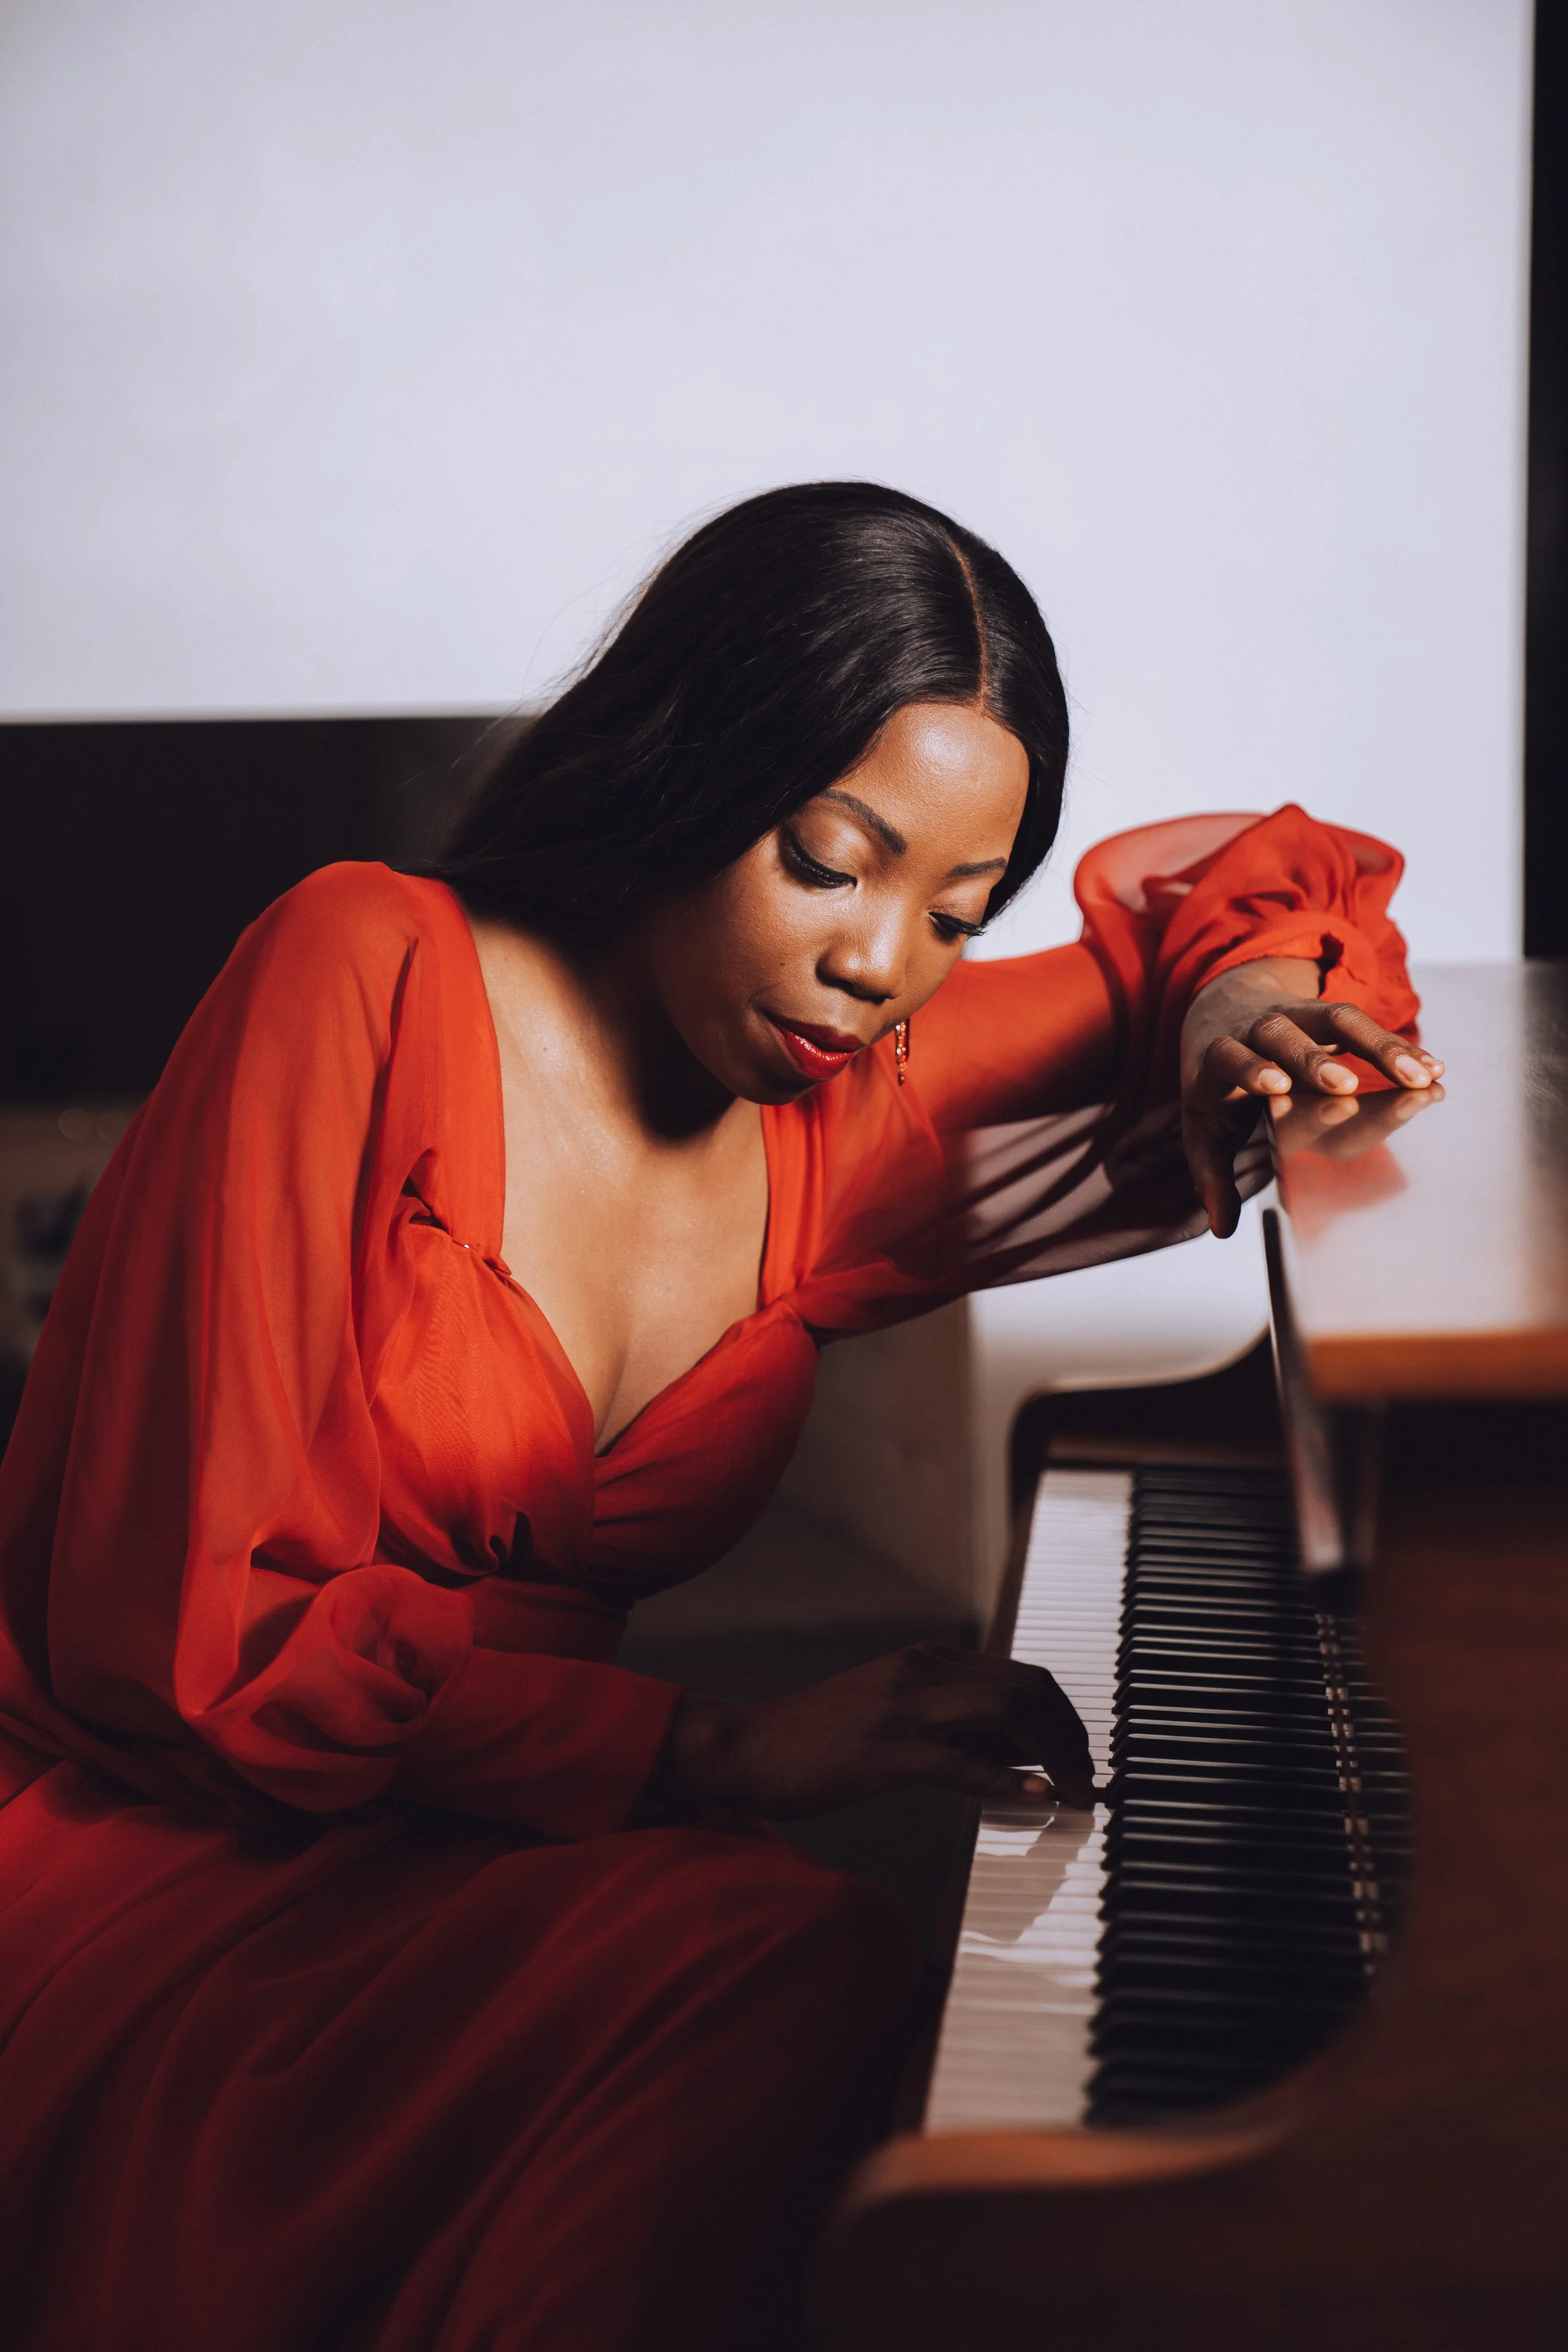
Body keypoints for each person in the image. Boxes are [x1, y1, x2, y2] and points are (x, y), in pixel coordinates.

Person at [0, 484, 1436, 2352]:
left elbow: (1275, 881)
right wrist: (717, 1753)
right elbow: (192, 1645)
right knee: (782, 1962)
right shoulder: (357, 965)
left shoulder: (844, 1100)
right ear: (693, 767)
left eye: (956, 910)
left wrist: (1245, 996)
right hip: (166, 1824)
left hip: (497, 1822)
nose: (881, 962)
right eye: (829, 858)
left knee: (794, 1982)